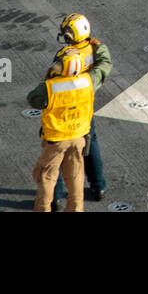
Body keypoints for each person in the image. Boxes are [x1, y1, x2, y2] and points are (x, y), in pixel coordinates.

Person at [27, 13, 112, 207]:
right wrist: (100, 47)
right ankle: (98, 187)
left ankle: (54, 200)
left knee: (50, 170)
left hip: (58, 129)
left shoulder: (60, 73)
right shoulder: (88, 80)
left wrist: (52, 73)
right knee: (80, 168)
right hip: (82, 120)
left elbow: (34, 99)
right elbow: (104, 66)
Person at [28, 52, 93, 212]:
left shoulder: (50, 86)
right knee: (76, 178)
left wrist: (48, 78)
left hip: (57, 139)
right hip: (79, 137)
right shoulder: (87, 82)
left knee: (46, 176)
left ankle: (43, 209)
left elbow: (33, 100)